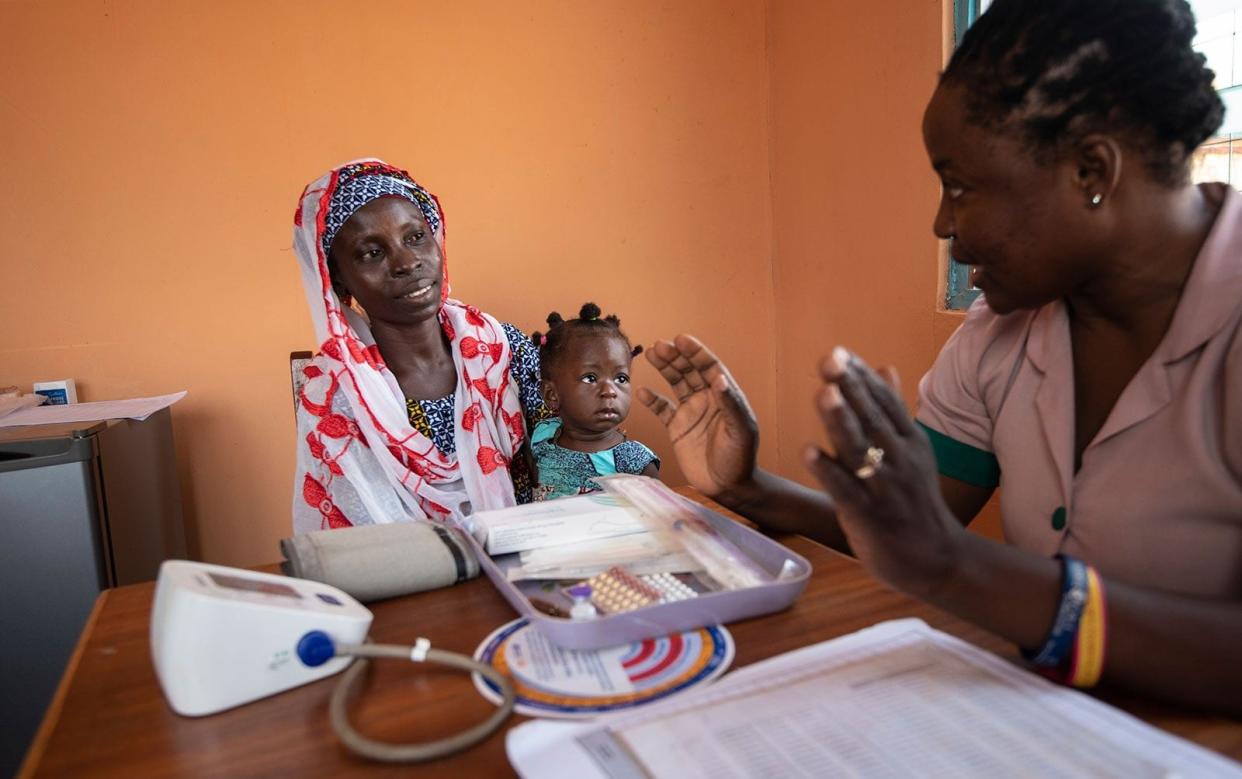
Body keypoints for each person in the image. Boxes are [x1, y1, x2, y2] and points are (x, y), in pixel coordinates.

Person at [638, 0, 1242, 713]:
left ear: (1091, 170)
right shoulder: (998, 336)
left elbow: (944, 555)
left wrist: (962, 570)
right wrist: (748, 487)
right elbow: (915, 535)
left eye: (959, 186)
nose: (943, 224)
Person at [291, 159, 547, 532]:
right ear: (339, 282)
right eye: (372, 253)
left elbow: (565, 463)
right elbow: (356, 544)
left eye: (415, 237)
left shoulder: (502, 350)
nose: (407, 262)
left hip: (531, 564)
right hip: (414, 582)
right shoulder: (336, 399)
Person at [529, 303, 660, 500]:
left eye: (621, 379)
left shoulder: (635, 461)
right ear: (551, 395)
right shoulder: (543, 436)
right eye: (590, 378)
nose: (610, 391)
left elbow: (659, 516)